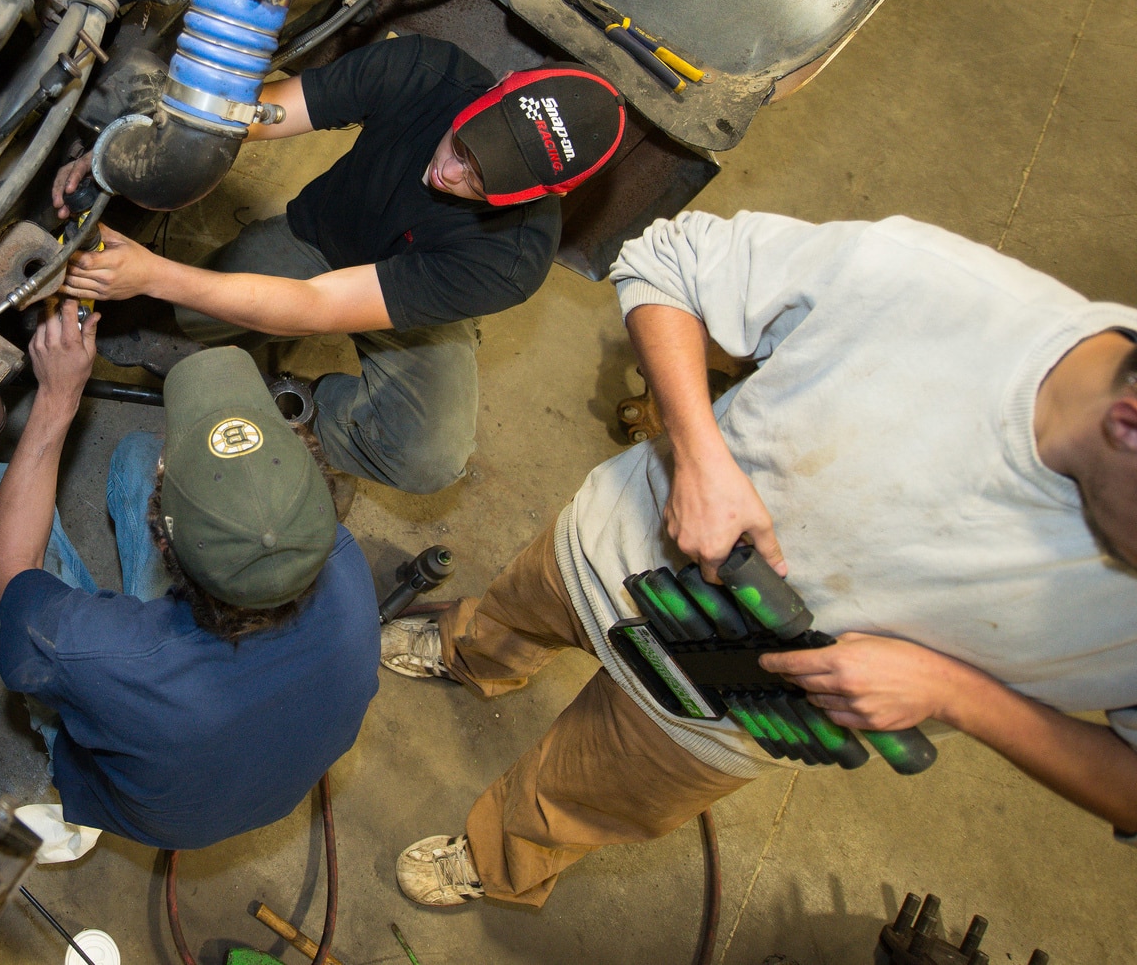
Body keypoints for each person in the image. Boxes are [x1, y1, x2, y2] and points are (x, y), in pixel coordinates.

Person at [378, 210, 1137, 908]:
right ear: (1128, 422)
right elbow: (666, 261)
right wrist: (700, 454)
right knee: (519, 609)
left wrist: (961, 695)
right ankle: (471, 652)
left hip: (732, 716)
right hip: (617, 548)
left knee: (573, 799)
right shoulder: (929, 287)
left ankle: (497, 855)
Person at [56, 35, 626, 494]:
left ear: (538, 196)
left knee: (425, 457)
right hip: (321, 239)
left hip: (418, 301)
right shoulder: (426, 69)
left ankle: (295, 406)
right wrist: (125, 149)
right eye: (464, 144)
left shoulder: (511, 260)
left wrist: (152, 271)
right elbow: (258, 115)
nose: (452, 174)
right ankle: (212, 328)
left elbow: (319, 307)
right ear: (495, 89)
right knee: (193, 315)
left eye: (484, 180)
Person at [0, 299, 378, 849]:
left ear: (162, 542)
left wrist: (58, 398)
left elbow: (9, 574)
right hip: (249, 785)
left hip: (149, 808)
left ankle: (79, 769)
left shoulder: (100, 656)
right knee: (136, 457)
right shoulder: (345, 565)